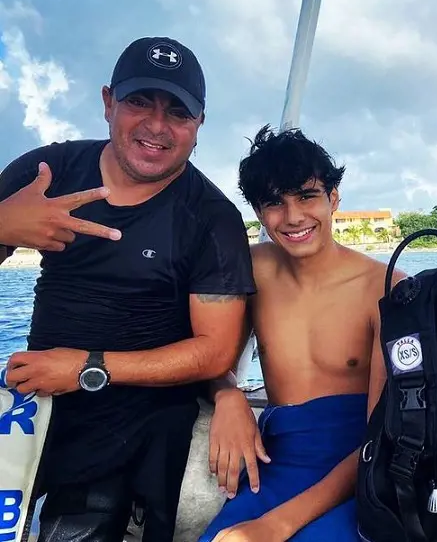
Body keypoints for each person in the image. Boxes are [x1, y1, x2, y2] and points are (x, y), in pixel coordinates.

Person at [0, 36, 256, 541]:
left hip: (134, 411)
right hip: (34, 395)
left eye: (178, 112)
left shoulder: (211, 219)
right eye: (140, 101)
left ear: (199, 124)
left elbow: (215, 351)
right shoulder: (47, 172)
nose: (157, 126)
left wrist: (86, 368)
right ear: (107, 102)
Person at [199, 126, 404, 542]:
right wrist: (227, 394)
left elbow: (384, 433)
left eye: (307, 196)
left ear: (333, 199)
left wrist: (278, 525)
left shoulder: (386, 289)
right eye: (274, 202)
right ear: (259, 212)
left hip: (360, 468)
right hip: (275, 458)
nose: (293, 217)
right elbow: (215, 357)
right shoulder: (252, 270)